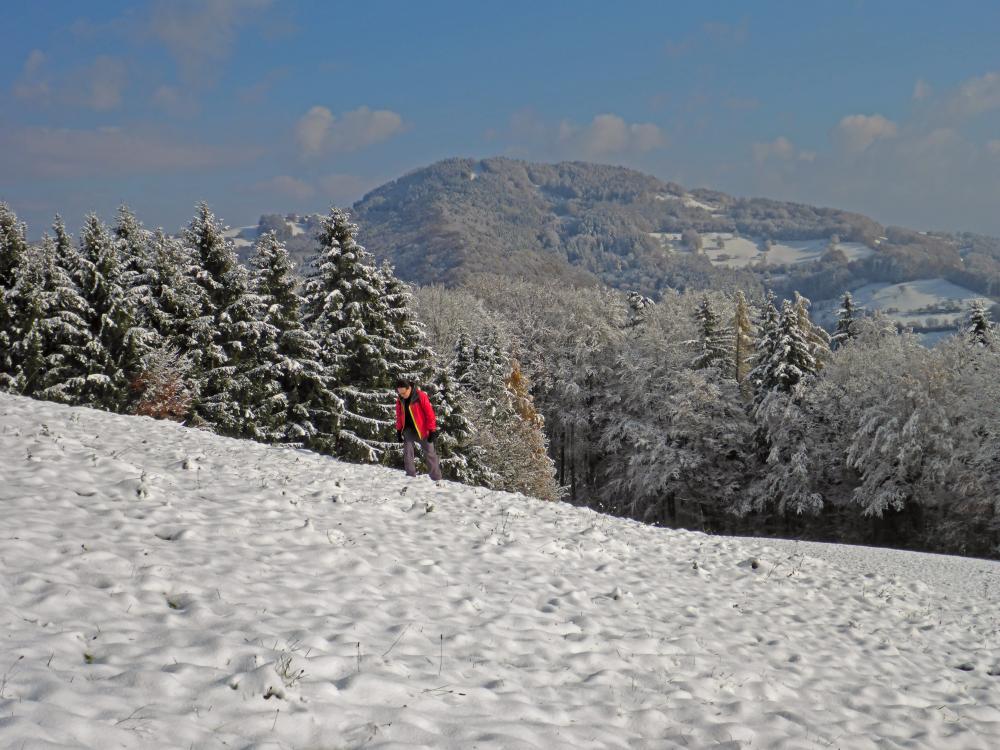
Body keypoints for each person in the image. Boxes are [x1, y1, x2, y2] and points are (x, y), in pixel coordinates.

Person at [394, 380, 443, 481]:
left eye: (403, 393)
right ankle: (410, 476)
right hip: (408, 429)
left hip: (422, 429)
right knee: (408, 452)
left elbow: (430, 414)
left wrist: (432, 430)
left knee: (430, 453)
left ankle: (436, 478)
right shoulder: (400, 400)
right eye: (400, 393)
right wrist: (399, 431)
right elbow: (399, 416)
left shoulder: (420, 396)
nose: (402, 395)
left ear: (409, 389)